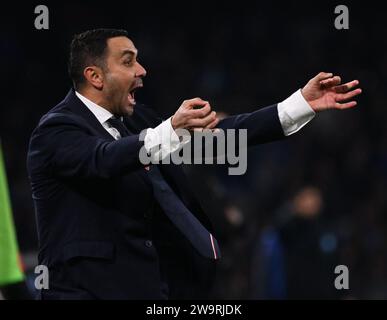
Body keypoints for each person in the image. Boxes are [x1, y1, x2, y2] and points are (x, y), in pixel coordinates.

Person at [26, 28, 361, 299]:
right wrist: (170, 129)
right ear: (95, 76)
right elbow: (103, 160)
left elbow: (221, 135)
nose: (142, 71)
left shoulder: (137, 121)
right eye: (128, 62)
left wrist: (298, 104)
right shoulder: (57, 129)